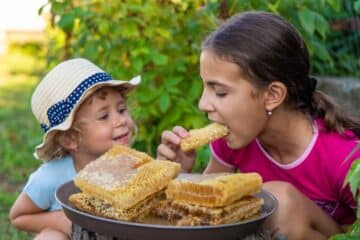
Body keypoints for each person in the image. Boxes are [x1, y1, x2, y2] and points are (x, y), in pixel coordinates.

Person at [157, 11, 360, 240]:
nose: (203, 104)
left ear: (273, 95)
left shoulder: (346, 158)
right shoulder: (233, 139)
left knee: (278, 202)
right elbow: (207, 217)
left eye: (220, 92)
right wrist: (182, 178)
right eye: (205, 87)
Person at [9, 58, 140, 240]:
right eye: (104, 116)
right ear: (71, 138)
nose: (121, 120)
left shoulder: (132, 167)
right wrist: (64, 221)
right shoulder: (52, 177)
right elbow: (19, 216)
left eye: (121, 109)